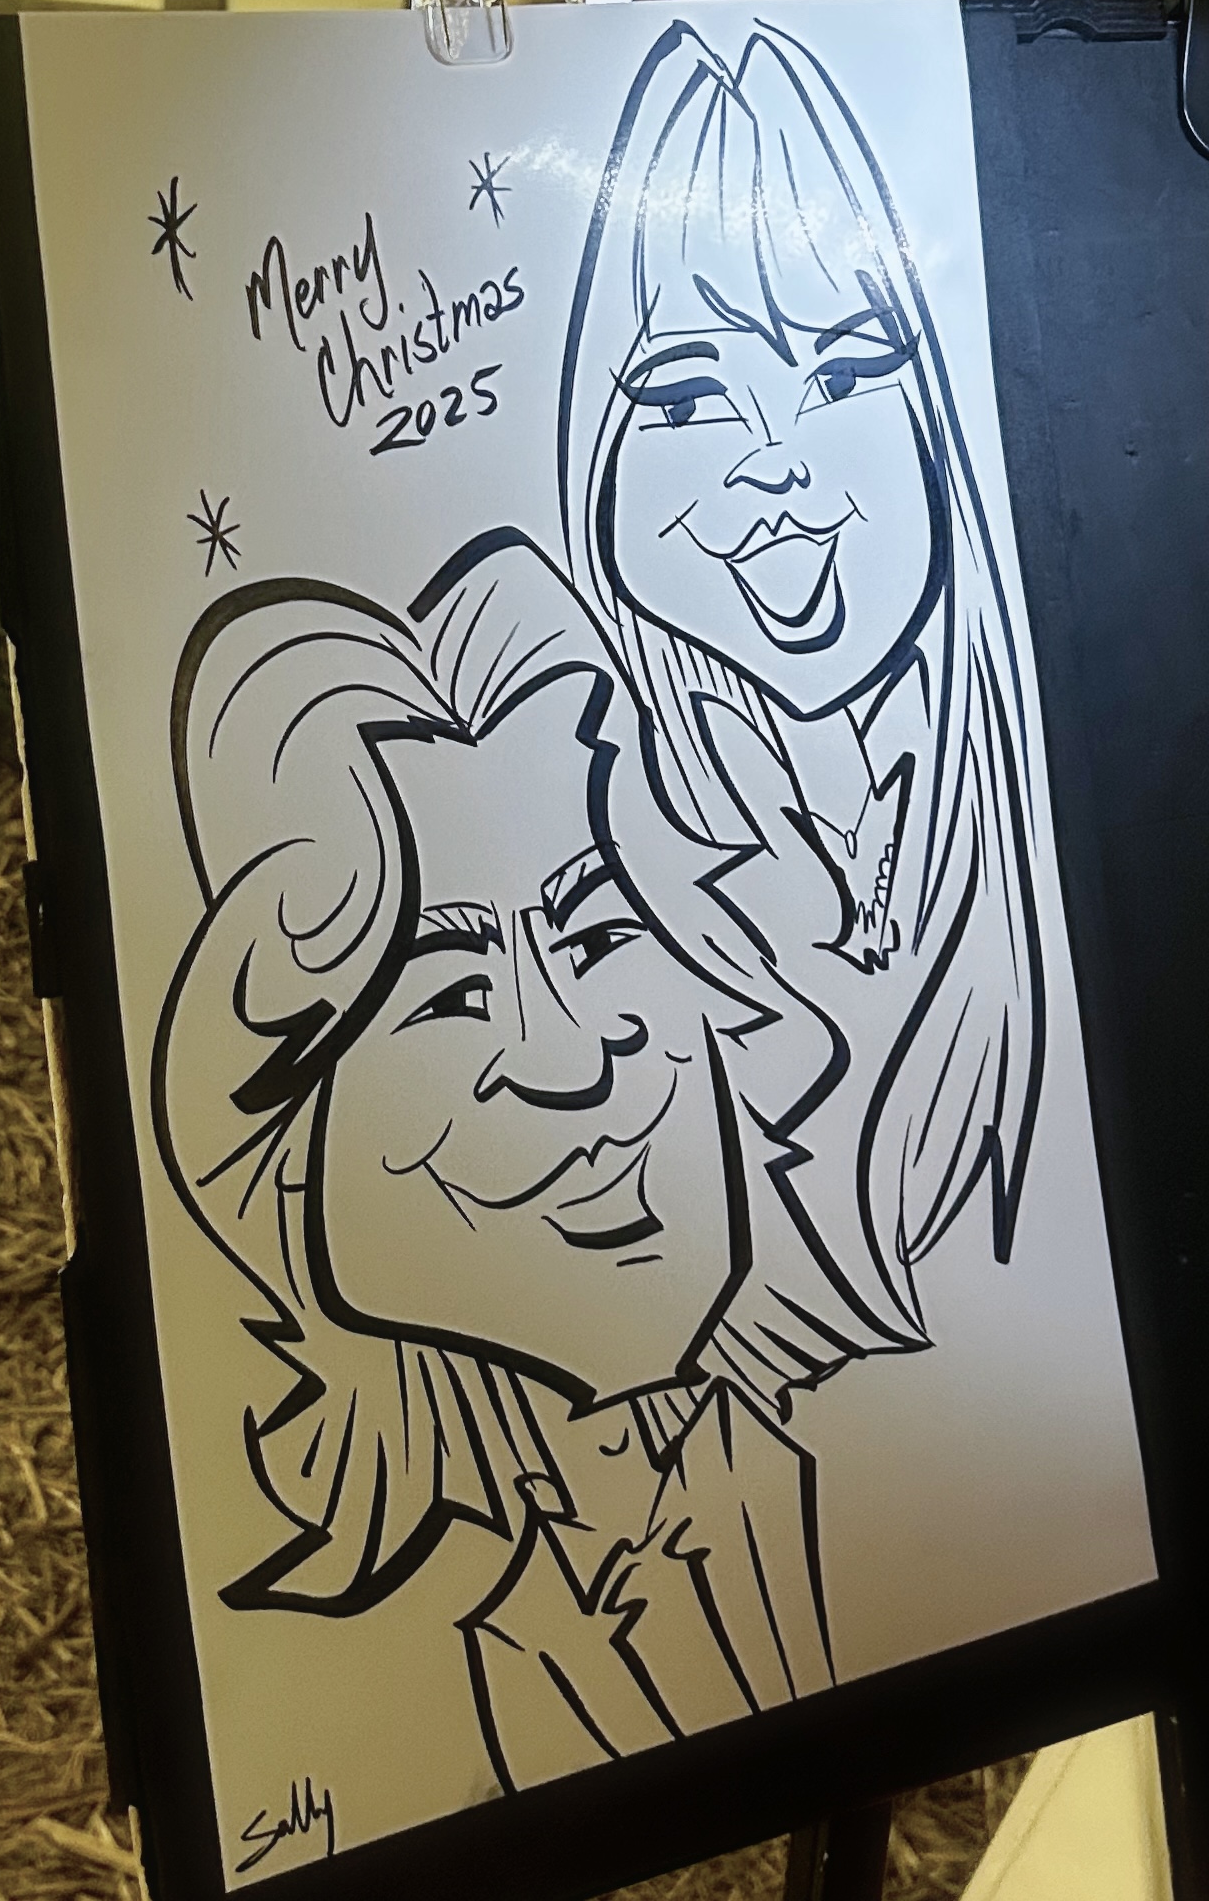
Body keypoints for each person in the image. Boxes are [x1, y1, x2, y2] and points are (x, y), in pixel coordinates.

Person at [154, 531, 922, 1793]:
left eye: (602, 929)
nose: (571, 1058)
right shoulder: (381, 1693)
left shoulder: (896, 1481)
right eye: (450, 991)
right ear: (295, 1156)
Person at [557, 18, 1046, 1339]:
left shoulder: (1045, 783)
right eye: (683, 399)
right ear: (595, 451)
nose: (773, 459)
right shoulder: (582, 818)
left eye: (843, 371)